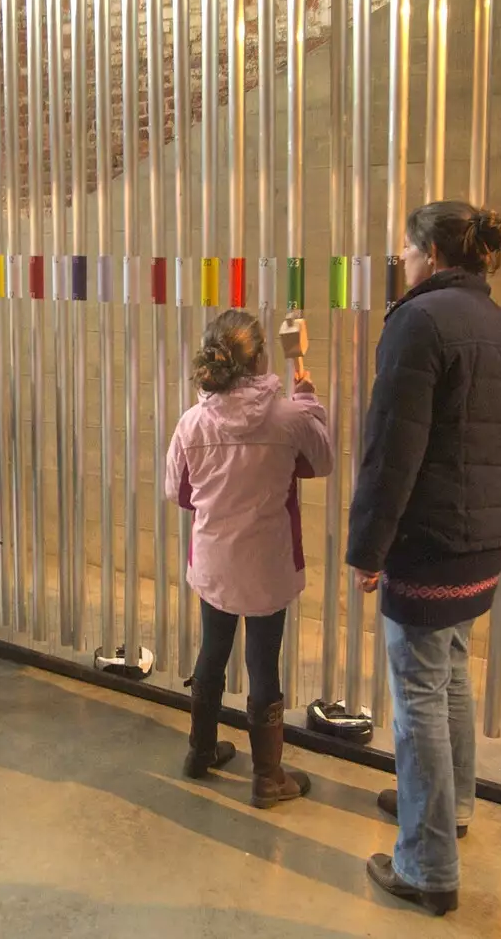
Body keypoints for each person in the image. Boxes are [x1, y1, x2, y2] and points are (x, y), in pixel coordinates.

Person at [347, 201, 501, 916]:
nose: (401, 263)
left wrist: (370, 546)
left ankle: (427, 866)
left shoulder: (419, 322)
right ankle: (451, 804)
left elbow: (392, 448)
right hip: (484, 543)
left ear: (430, 255)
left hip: (429, 541)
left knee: (418, 697)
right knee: (450, 668)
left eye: (404, 251)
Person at [164, 310, 334, 808]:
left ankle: (199, 752)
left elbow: (179, 493)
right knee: (264, 664)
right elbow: (320, 461)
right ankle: (267, 777)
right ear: (260, 359)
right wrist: (308, 398)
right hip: (269, 564)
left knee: (211, 653)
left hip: (215, 562)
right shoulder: (290, 415)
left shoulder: (191, 423)